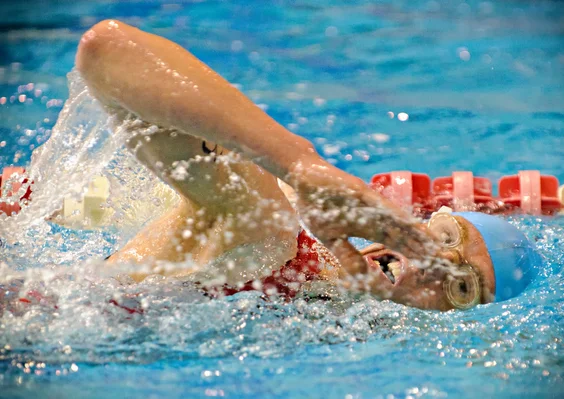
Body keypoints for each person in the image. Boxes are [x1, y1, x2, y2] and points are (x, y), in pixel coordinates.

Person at [70, 20, 537, 311]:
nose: (435, 264)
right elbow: (107, 50)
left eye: (461, 286)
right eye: (443, 240)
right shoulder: (271, 240)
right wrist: (300, 164)